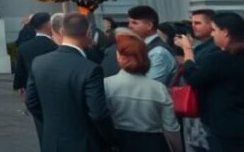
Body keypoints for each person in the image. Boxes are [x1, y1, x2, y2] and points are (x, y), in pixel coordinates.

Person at [25, 13, 115, 152]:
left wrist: (52, 125)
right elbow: (98, 113)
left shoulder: (39, 62)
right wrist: (112, 139)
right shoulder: (91, 69)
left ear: (61, 31)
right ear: (88, 33)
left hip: (52, 141)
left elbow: (31, 102)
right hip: (85, 142)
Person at [174, 12, 244, 152]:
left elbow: (193, 78)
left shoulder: (220, 58)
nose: (213, 35)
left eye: (214, 30)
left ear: (224, 32)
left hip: (225, 125)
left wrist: (187, 49)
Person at [104, 34, 181, 152]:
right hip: (154, 143)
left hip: (120, 142)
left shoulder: (106, 85)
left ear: (119, 57)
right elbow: (171, 128)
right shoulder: (158, 88)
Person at [183, 9, 219, 152]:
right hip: (198, 110)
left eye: (198, 23)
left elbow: (194, 76)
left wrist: (187, 50)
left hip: (210, 110)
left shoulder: (214, 49)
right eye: (192, 23)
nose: (193, 26)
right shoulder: (200, 46)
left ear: (212, 25)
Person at [127, 5, 175, 85]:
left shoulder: (159, 52)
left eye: (134, 23)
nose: (129, 26)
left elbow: (151, 85)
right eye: (129, 22)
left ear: (149, 25)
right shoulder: (144, 47)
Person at [13, 12, 57, 94]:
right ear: (49, 24)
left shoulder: (24, 46)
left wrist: (19, 85)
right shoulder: (55, 45)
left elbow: (20, 67)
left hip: (30, 86)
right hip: (53, 86)